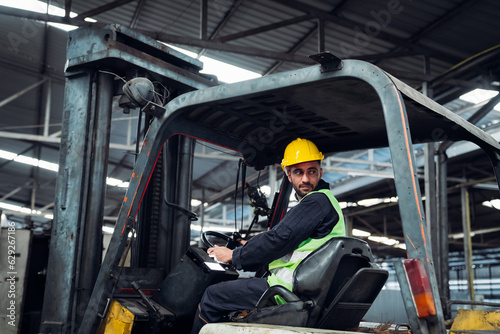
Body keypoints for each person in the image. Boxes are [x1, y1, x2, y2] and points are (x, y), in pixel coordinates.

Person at [191, 138, 346, 333]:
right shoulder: (324, 203)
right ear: (288, 175)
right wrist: (247, 245)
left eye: (311, 171)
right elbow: (288, 242)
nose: (305, 179)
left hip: (287, 289)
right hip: (304, 288)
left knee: (212, 296)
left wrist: (233, 256)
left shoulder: (316, 202)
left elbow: (279, 238)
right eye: (298, 172)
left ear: (320, 173)